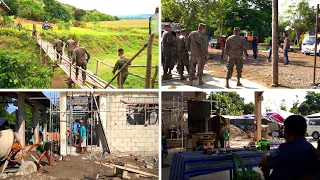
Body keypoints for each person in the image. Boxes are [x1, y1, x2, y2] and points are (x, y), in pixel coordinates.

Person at [259, 115, 317, 180]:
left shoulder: (285, 149)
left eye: (284, 129)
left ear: (287, 130)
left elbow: (264, 163)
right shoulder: (311, 149)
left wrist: (265, 156)